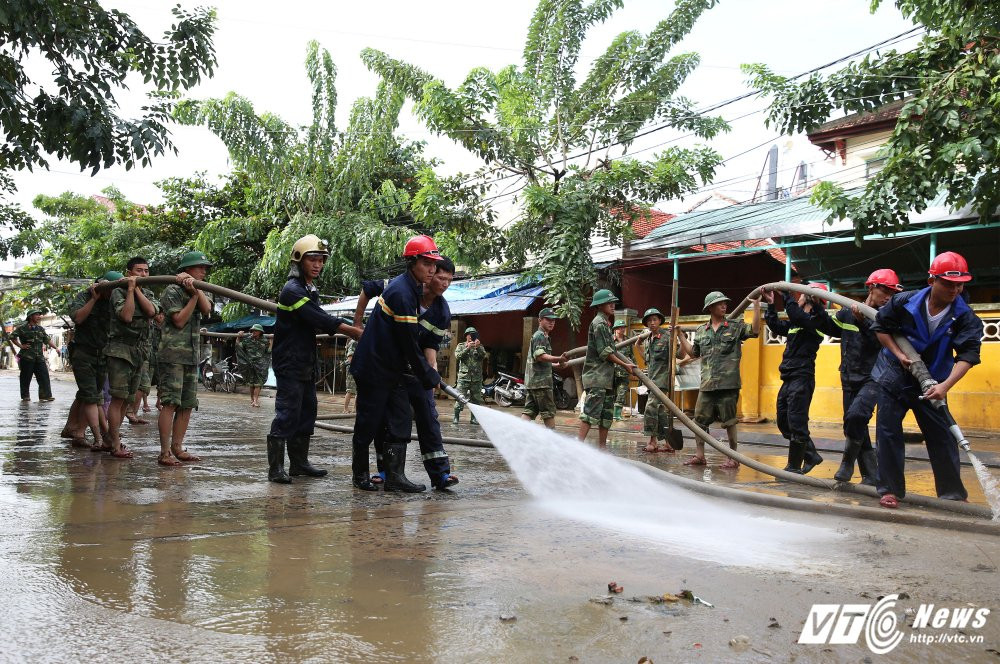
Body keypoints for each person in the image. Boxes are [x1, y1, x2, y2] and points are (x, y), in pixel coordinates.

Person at [870, 252, 982, 508]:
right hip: (896, 377)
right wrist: (899, 355)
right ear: (932, 280)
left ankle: (953, 494)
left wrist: (944, 387)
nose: (955, 289)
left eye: (960, 284)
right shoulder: (903, 301)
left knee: (942, 436)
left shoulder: (965, 316)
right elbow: (881, 327)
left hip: (933, 383)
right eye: (948, 283)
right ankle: (890, 490)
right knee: (888, 433)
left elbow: (968, 355)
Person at [349, 234, 443, 492]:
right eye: (427, 264)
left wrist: (425, 374)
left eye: (434, 264)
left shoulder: (411, 288)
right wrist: (429, 375)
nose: (432, 270)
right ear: (412, 262)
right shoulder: (402, 292)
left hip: (392, 370)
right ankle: (359, 475)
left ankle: (394, 477)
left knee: (401, 419)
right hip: (374, 369)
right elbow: (408, 343)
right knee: (368, 423)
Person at [267, 236, 361, 483]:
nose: (318, 264)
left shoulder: (310, 289)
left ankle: (299, 463)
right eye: (312, 259)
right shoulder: (292, 290)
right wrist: (354, 331)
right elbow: (319, 318)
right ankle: (276, 468)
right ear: (299, 260)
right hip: (290, 360)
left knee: (307, 411)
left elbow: (318, 317)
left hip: (306, 360)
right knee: (288, 412)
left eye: (321, 260)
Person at [817, 269, 901, 485]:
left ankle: (847, 462)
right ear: (871, 287)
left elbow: (878, 342)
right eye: (885, 290)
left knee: (857, 416)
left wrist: (863, 321)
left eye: (892, 292)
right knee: (854, 423)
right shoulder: (846, 313)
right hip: (848, 376)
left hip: (873, 377)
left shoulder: (886, 317)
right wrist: (816, 303)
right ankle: (871, 475)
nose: (888, 296)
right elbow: (827, 327)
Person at [676, 291, 761, 467]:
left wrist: (757, 306)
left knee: (729, 422)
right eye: (719, 303)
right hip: (707, 384)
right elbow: (693, 353)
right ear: (710, 308)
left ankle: (733, 457)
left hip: (728, 384)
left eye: (725, 303)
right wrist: (680, 335)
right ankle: (700, 456)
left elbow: (754, 331)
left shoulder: (734, 326)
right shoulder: (701, 331)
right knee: (698, 422)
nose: (724, 305)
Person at [762, 284, 831, 474]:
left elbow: (797, 315)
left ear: (809, 299)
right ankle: (811, 455)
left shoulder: (817, 321)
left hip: (802, 377)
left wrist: (787, 296)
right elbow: (775, 326)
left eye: (801, 295)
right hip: (789, 377)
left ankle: (793, 467)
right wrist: (770, 304)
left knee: (796, 423)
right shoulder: (796, 322)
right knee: (784, 422)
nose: (798, 298)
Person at [156, 251, 213, 467]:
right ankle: (164, 452)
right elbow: (179, 320)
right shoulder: (171, 290)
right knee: (170, 402)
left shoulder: (201, 289)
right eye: (200, 267)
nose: (204, 271)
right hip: (172, 354)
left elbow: (206, 309)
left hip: (191, 355)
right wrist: (192, 296)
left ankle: (177, 447)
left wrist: (196, 292)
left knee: (188, 404)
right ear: (187, 269)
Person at [105, 257, 160, 457]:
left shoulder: (149, 292)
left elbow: (151, 311)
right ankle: (115, 443)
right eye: (139, 271)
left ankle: (113, 438)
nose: (143, 274)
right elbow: (127, 316)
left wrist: (137, 289)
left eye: (146, 271)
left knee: (128, 399)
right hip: (120, 350)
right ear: (129, 273)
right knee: (118, 399)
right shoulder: (118, 291)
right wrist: (129, 290)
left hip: (140, 352)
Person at [62, 271, 121, 450]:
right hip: (83, 353)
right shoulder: (85, 297)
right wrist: (94, 299)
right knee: (91, 397)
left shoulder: (115, 301)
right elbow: (78, 318)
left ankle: (74, 429)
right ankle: (99, 437)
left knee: (90, 394)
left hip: (102, 355)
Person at [578, 290, 636, 447]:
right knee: (590, 413)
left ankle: (602, 448)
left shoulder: (606, 324)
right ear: (599, 305)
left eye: (613, 302)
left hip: (607, 378)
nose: (612, 305)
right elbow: (606, 353)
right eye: (608, 302)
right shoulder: (599, 324)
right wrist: (625, 365)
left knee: (606, 415)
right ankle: (577, 446)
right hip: (597, 377)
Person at [521, 307, 568, 429]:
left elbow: (539, 360)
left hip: (533, 383)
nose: (552, 322)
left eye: (553, 320)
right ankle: (552, 442)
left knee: (529, 411)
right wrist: (559, 358)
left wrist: (555, 365)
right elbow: (540, 356)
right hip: (541, 383)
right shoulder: (540, 336)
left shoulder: (542, 336)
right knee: (548, 413)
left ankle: (517, 436)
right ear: (540, 320)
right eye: (548, 320)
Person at [638, 307, 676, 454]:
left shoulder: (667, 337)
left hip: (661, 380)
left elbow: (679, 354)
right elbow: (648, 360)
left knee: (650, 408)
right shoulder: (648, 339)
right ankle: (668, 443)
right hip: (651, 380)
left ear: (660, 321)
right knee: (660, 412)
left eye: (654, 319)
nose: (652, 323)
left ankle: (652, 441)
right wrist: (637, 345)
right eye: (649, 320)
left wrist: (678, 336)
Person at [12, 309, 54, 402]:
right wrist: (21, 346)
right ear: (31, 317)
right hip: (27, 357)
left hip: (39, 357)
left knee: (44, 376)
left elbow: (47, 340)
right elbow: (12, 337)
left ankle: (45, 395)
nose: (39, 316)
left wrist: (56, 348)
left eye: (39, 315)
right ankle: (25, 396)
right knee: (25, 378)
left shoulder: (40, 329)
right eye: (37, 315)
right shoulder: (22, 328)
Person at [453, 326, 486, 424]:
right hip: (464, 378)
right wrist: (467, 348)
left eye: (473, 334)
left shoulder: (480, 346)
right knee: (460, 398)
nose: (471, 337)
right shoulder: (461, 345)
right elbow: (458, 356)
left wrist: (478, 347)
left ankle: (473, 418)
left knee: (476, 400)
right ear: (466, 336)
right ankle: (456, 417)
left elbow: (483, 356)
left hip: (476, 378)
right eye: (469, 335)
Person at [237, 324, 271, 408]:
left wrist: (271, 341)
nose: (253, 332)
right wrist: (239, 336)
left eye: (256, 330)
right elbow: (239, 347)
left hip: (260, 365)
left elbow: (268, 351)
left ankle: (256, 400)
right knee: (251, 383)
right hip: (249, 364)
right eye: (252, 330)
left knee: (258, 383)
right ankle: (252, 399)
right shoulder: (247, 340)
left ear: (260, 332)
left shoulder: (264, 340)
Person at [611, 320, 635, 420]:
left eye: (623, 327)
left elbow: (632, 356)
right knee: (611, 394)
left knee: (621, 393)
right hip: (611, 372)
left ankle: (616, 415)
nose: (622, 329)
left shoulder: (627, 341)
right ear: (615, 329)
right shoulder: (610, 340)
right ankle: (609, 414)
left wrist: (634, 367)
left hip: (624, 372)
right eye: (620, 327)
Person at [343, 338, 357, 413]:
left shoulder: (359, 341)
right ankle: (345, 409)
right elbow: (350, 358)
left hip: (359, 369)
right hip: (352, 369)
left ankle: (355, 409)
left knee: (358, 391)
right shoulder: (354, 342)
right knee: (350, 390)